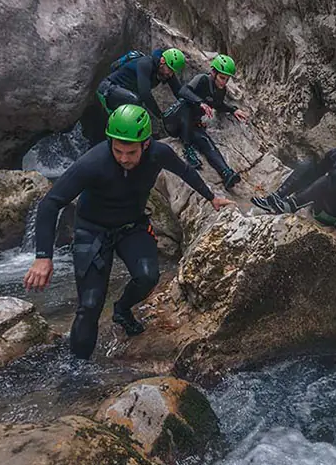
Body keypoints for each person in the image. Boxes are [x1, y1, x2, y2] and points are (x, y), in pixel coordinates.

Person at [24, 104, 231, 358]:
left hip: (132, 226)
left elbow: (185, 171)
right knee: (89, 306)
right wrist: (43, 257)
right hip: (92, 231)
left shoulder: (159, 153)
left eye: (130, 152)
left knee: (148, 276)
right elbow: (51, 202)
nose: (123, 158)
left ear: (145, 144)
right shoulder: (93, 162)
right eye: (118, 150)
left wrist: (212, 197)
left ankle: (122, 309)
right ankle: (77, 374)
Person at [251, 115, 336, 226]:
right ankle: (277, 198)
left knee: (330, 179)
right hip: (322, 208)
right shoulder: (334, 154)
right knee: (309, 164)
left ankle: (291, 205)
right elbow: (315, 176)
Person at [163, 54, 247, 189]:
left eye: (226, 79)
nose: (223, 82)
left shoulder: (221, 90)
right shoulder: (202, 79)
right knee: (185, 104)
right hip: (175, 120)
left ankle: (226, 172)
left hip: (191, 124)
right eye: (221, 78)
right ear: (213, 73)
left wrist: (233, 110)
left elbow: (218, 105)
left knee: (206, 141)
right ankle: (187, 147)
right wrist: (200, 103)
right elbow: (183, 91)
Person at [97, 47, 186, 122]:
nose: (170, 74)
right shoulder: (145, 64)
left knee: (140, 109)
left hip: (125, 93)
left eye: (173, 72)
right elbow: (145, 94)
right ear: (162, 61)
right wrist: (161, 116)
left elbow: (179, 91)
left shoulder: (165, 71)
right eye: (170, 70)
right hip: (108, 88)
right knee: (135, 102)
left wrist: (196, 103)